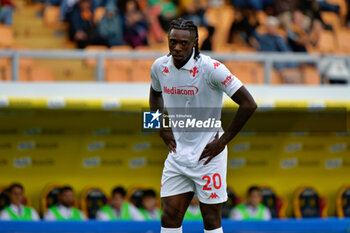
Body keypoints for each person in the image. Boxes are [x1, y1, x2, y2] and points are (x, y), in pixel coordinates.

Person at [149, 18, 257, 233]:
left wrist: (222, 142)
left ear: (195, 43)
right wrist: (159, 126)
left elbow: (249, 104)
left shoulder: (212, 68)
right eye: (173, 42)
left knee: (210, 219)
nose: (177, 48)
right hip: (178, 154)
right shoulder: (159, 66)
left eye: (183, 43)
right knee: (169, 216)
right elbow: (154, 94)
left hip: (209, 155)